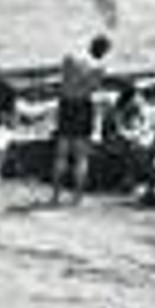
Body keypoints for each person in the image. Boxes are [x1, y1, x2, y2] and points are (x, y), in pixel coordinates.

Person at [52, 36, 111, 205]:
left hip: (65, 104)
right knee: (81, 156)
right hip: (82, 106)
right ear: (103, 51)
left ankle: (55, 195)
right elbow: (93, 88)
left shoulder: (70, 57)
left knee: (61, 154)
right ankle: (77, 198)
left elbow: (63, 79)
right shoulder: (98, 66)